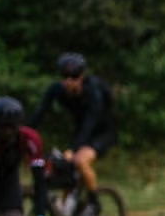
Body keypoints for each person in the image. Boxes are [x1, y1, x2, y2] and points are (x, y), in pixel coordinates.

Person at [30, 53, 116, 195]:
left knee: (80, 161)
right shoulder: (57, 90)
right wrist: (25, 132)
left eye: (74, 76)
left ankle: (93, 201)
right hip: (81, 130)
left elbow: (89, 123)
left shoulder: (93, 93)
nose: (69, 81)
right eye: (65, 76)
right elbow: (40, 113)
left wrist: (73, 149)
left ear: (81, 76)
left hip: (102, 133)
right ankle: (68, 206)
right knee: (65, 168)